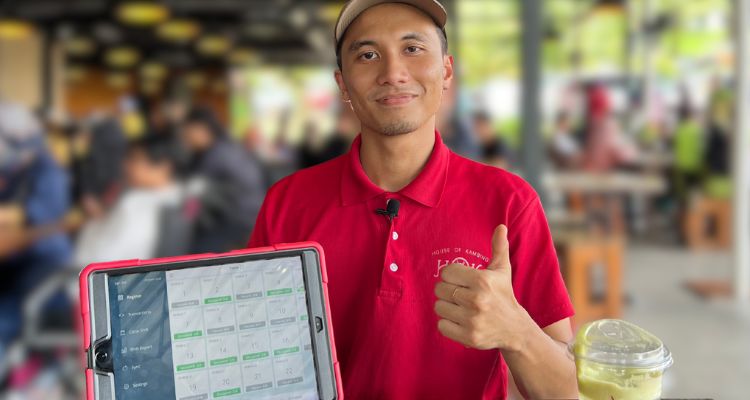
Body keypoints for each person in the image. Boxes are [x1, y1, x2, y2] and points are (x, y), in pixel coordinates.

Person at [247, 1, 577, 399]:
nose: (392, 73)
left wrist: (517, 333)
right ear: (343, 84)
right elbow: (254, 357)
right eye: (368, 55)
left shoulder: (510, 202)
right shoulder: (288, 202)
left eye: (413, 49)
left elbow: (565, 392)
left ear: (447, 72)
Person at [0, 102, 72, 359]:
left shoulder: (49, 172)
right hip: (15, 265)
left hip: (42, 274)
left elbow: (29, 214)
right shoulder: (18, 171)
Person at [73, 134, 183, 266]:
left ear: (164, 167)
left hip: (86, 277)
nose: (125, 165)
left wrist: (93, 225)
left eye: (134, 160)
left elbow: (101, 256)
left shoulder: (136, 204)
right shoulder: (178, 198)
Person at [180, 107, 263, 252]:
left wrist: (184, 221)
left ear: (202, 129)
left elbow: (194, 197)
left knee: (192, 249)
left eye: (188, 134)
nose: (186, 139)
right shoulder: (227, 148)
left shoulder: (215, 155)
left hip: (238, 220)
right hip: (247, 215)